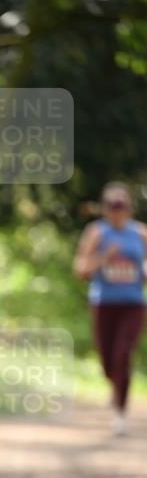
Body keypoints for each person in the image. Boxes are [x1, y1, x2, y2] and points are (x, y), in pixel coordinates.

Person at [73, 182, 146, 436]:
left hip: (133, 303)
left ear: (130, 208)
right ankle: (114, 387)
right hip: (104, 303)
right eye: (112, 206)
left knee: (122, 355)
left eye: (122, 205)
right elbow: (80, 269)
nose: (117, 211)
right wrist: (104, 258)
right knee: (107, 360)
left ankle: (120, 412)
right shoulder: (97, 233)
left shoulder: (141, 233)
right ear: (104, 209)